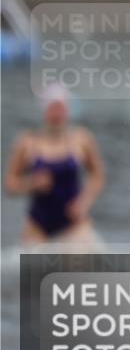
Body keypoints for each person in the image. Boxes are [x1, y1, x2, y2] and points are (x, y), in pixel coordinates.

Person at [4, 86, 106, 245]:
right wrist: (30, 184)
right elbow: (9, 185)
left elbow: (97, 176)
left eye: (61, 109)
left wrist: (84, 202)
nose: (57, 114)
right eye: (52, 108)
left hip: (75, 225)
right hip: (37, 227)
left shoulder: (82, 139)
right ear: (44, 111)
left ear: (68, 110)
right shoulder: (27, 142)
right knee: (31, 265)